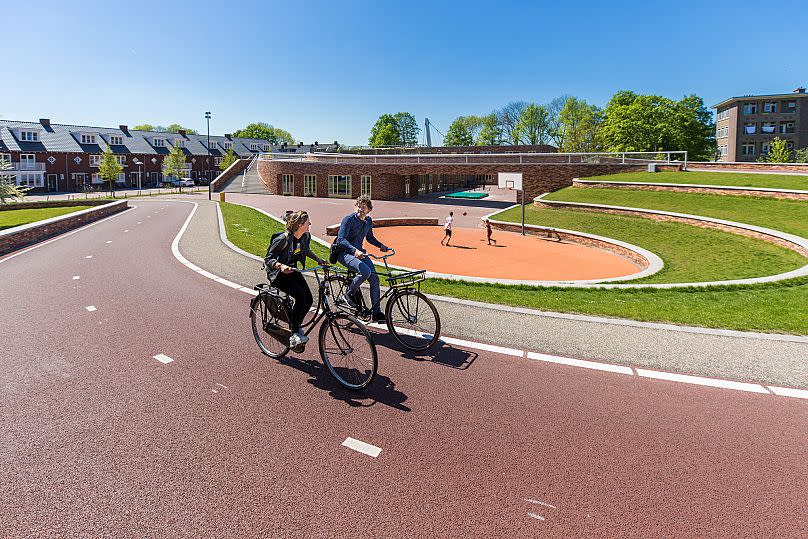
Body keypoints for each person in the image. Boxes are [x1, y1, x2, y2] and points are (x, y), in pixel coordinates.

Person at [264, 210, 326, 349]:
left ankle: (294, 324)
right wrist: (280, 266)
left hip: (292, 270)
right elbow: (268, 259)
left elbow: (305, 250)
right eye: (307, 222)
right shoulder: (283, 239)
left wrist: (319, 260)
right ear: (299, 225)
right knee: (300, 295)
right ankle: (295, 332)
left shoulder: (305, 236)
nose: (310, 224)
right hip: (278, 274)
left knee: (309, 299)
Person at [335, 195, 390, 323]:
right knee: (365, 272)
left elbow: (370, 237)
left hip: (360, 253)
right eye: (358, 206)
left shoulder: (368, 221)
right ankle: (348, 294)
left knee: (375, 279)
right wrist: (354, 250)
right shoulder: (348, 220)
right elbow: (340, 240)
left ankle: (376, 312)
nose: (360, 209)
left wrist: (381, 245)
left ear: (369, 210)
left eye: (363, 207)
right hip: (344, 253)